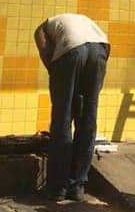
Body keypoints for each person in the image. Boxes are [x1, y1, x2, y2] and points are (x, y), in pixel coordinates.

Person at [33, 13, 110, 202]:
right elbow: (103, 54)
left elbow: (46, 53)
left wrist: (56, 71)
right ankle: (77, 186)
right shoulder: (83, 21)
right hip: (100, 49)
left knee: (63, 119)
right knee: (87, 119)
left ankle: (57, 187)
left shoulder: (42, 29)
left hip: (72, 49)